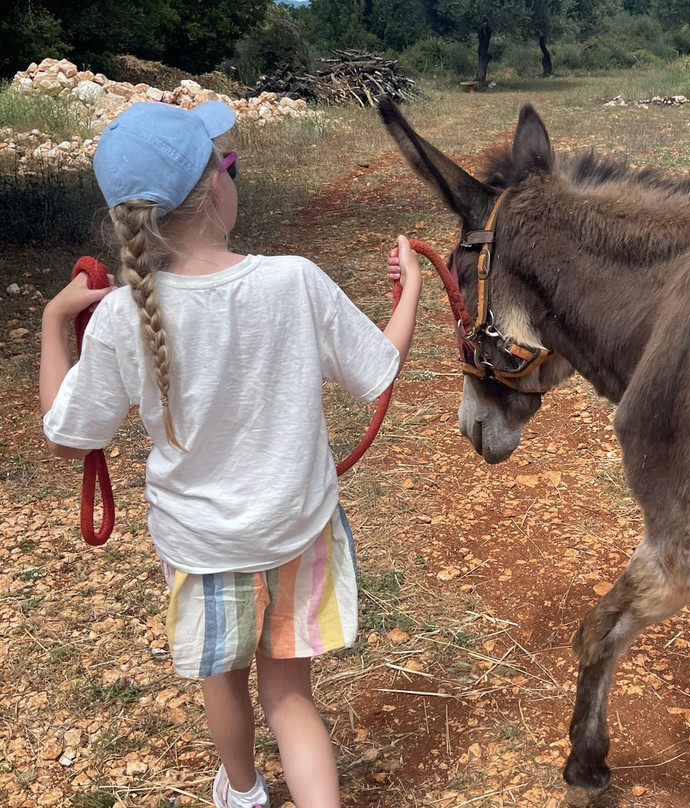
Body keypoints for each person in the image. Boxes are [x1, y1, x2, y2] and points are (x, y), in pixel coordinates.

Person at [38, 100, 422, 808]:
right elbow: (377, 372)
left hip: (203, 546)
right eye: (230, 164)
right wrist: (412, 293)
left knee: (225, 682)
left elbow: (68, 437)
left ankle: (242, 792)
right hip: (296, 533)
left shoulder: (124, 315)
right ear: (217, 187)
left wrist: (54, 319)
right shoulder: (295, 280)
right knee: (290, 697)